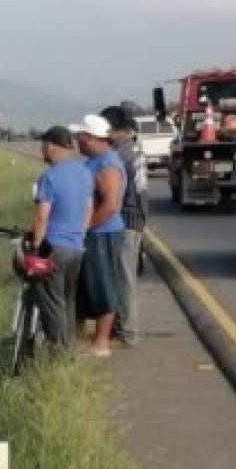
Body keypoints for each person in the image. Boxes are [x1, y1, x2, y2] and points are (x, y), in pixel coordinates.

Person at [31, 125, 93, 350]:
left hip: (54, 246)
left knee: (52, 301)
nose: (42, 152)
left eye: (43, 147)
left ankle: (58, 350)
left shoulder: (49, 177)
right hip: (77, 246)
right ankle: (68, 345)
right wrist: (80, 236)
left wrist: (37, 246)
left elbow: (42, 216)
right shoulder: (85, 174)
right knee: (68, 300)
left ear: (50, 146)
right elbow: (88, 210)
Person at [72, 114, 125, 357]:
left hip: (102, 234)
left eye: (79, 137)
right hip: (93, 233)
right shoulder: (93, 161)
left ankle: (101, 343)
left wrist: (84, 228)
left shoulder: (107, 164)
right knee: (85, 286)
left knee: (103, 286)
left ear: (91, 138)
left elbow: (110, 205)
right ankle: (82, 338)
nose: (76, 142)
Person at [99, 106, 148, 346]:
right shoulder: (129, 151)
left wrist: (137, 224)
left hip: (128, 219)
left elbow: (137, 192)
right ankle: (121, 328)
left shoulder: (124, 154)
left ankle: (128, 332)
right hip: (133, 219)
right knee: (121, 275)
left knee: (125, 278)